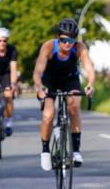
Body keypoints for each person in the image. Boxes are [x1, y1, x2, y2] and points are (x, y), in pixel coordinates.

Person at [33, 18, 96, 171]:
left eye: (71, 40)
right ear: (58, 38)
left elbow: (89, 68)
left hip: (70, 80)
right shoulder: (49, 46)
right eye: (64, 40)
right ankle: (45, 151)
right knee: (48, 114)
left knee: (74, 107)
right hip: (49, 80)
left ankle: (76, 151)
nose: (67, 44)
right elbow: (38, 71)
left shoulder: (80, 47)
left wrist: (90, 84)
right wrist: (40, 87)